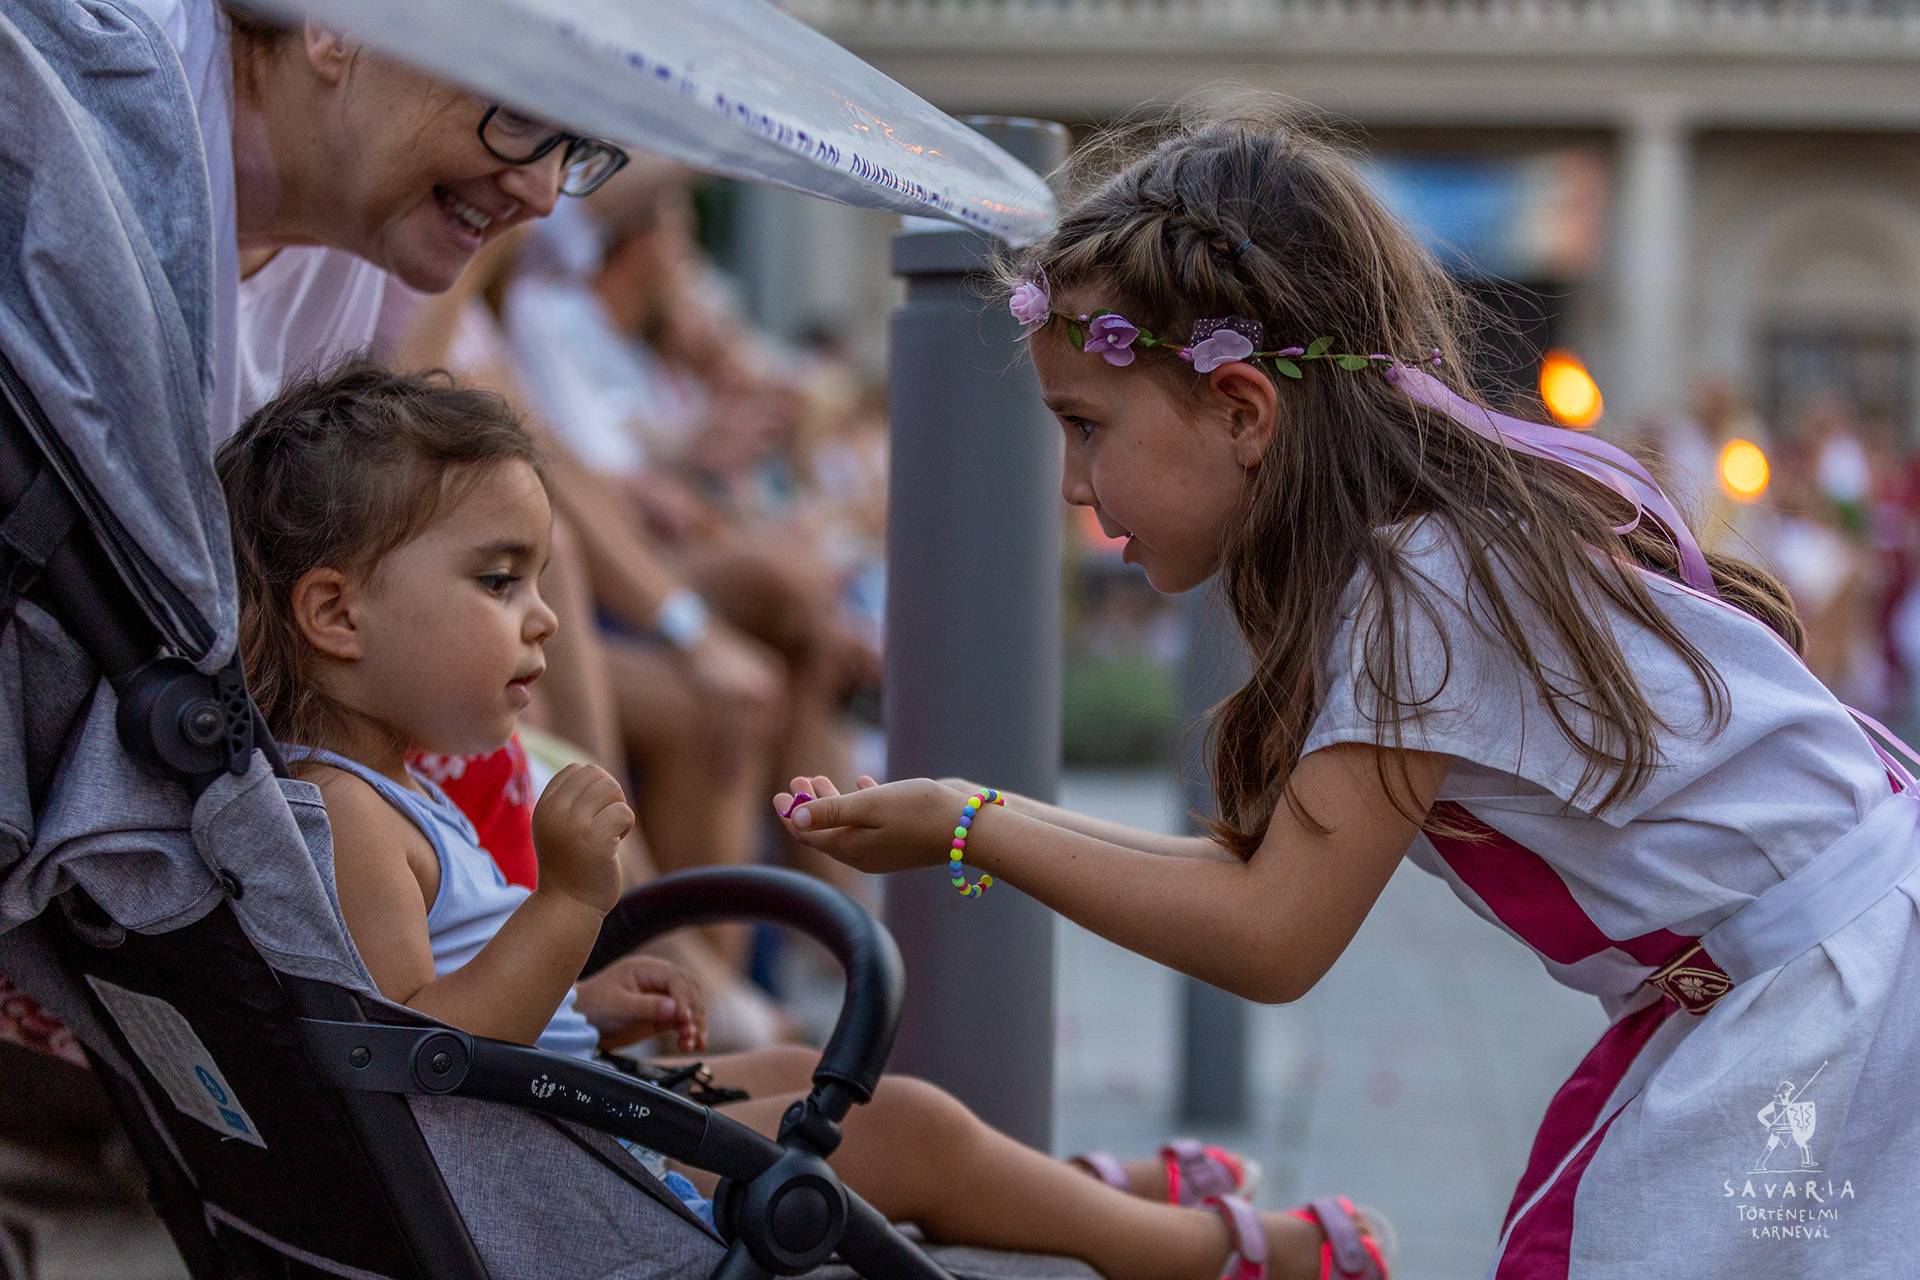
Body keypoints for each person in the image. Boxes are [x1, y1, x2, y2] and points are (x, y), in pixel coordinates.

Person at [773, 108, 1920, 1277]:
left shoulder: (1420, 586)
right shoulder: (1420, 556)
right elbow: (1264, 878)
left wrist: (971, 825)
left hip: (1834, 998)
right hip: (1805, 984)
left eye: (1086, 426)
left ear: (1242, 410)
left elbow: (1271, 934)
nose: (1073, 483)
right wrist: (970, 808)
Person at [215, 358, 1390, 1280]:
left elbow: (436, 1012)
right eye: (496, 580)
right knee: (904, 1125)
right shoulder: (347, 815)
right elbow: (419, 1062)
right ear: (336, 614)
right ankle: (1189, 1250)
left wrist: (579, 1002)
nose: (545, 619)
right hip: (555, 1195)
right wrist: (568, 903)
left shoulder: (379, 791)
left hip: (557, 1142)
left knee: (798, 1070)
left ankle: (1063, 1191)